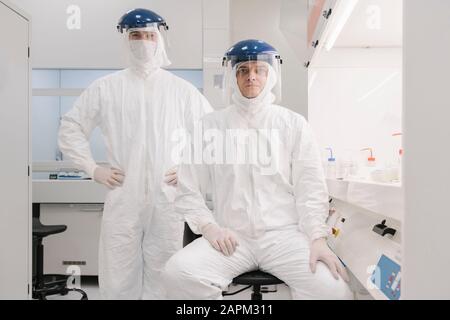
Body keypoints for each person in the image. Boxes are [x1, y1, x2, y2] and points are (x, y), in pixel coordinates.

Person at [162, 39, 353, 300]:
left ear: (271, 74)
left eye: (259, 70)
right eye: (243, 70)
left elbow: (310, 188)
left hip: (284, 236)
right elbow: (188, 188)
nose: (251, 77)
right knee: (177, 273)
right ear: (232, 76)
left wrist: (317, 238)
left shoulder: (292, 124)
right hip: (231, 238)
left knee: (333, 287)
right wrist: (209, 228)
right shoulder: (209, 126)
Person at [58, 8, 212, 299]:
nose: (143, 42)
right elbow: (71, 127)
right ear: (125, 40)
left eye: (149, 35)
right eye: (136, 35)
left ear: (160, 39)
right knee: (118, 274)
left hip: (166, 197)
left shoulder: (181, 91)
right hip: (123, 195)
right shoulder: (106, 88)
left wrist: (190, 169)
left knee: (164, 272)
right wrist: (93, 168)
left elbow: (213, 134)